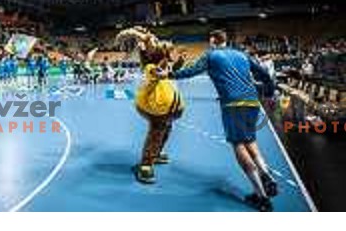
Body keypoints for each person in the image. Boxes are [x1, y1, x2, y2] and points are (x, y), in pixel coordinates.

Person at [173, 29, 278, 212]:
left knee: (238, 145)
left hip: (232, 105)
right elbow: (264, 75)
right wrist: (269, 93)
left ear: (213, 41)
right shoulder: (242, 54)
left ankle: (262, 197)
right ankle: (266, 174)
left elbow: (192, 71)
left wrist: (168, 75)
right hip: (253, 103)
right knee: (250, 142)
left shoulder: (211, 55)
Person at [117, 27, 185, 184]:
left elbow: (172, 69)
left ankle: (157, 153)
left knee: (166, 129)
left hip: (169, 109)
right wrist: (144, 39)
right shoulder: (150, 67)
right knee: (156, 133)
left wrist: (180, 60)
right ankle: (146, 164)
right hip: (156, 108)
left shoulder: (164, 65)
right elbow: (159, 69)